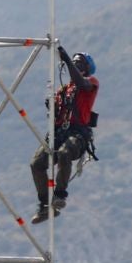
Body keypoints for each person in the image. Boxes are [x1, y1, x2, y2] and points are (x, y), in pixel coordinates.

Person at [30, 48, 97, 222]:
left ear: (86, 68)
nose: (75, 63)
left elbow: (81, 83)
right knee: (37, 163)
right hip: (60, 133)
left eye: (79, 62)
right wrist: (51, 107)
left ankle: (60, 194)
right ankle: (45, 205)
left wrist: (67, 59)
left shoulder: (90, 83)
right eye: (74, 61)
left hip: (77, 133)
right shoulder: (62, 91)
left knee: (65, 153)